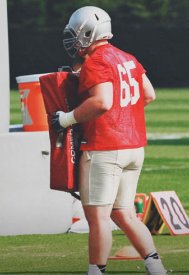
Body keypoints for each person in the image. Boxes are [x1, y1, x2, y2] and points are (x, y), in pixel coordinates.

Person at [52, 6, 167, 275]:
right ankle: (156, 267)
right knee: (123, 213)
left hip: (105, 147)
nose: (73, 39)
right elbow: (148, 94)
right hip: (134, 147)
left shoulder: (96, 61)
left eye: (76, 33)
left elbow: (102, 102)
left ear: (89, 33)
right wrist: (123, 113)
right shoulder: (127, 57)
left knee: (99, 218)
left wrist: (67, 119)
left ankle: (96, 272)